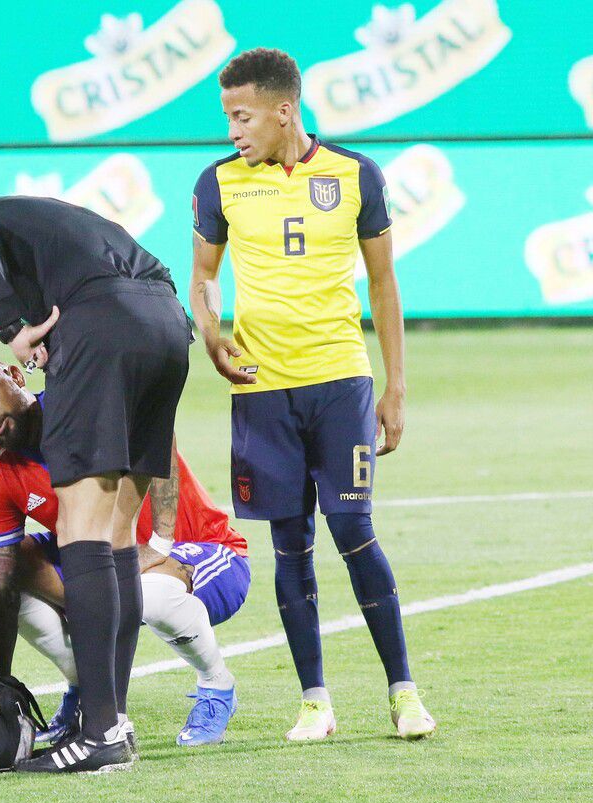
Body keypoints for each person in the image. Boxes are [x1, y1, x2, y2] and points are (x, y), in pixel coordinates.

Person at [189, 47, 434, 741]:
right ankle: (315, 701)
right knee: (290, 544)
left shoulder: (356, 175)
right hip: (263, 391)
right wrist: (210, 332)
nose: (233, 130)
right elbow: (204, 277)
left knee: (353, 530)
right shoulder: (218, 184)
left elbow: (383, 285)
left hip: (340, 383)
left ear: (283, 110)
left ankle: (403, 692)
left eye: (242, 116)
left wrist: (396, 389)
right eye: (227, 117)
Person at [0, 198, 192, 772]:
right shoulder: (48, 231)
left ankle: (98, 733)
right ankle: (111, 722)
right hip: (168, 325)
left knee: (82, 529)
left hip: (104, 324)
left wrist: (8, 324)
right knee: (119, 532)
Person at [0, 355, 251, 746]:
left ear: (17, 376)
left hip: (203, 550)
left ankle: (217, 685)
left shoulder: (82, 408)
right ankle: (86, 685)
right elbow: (0, 580)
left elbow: (156, 429)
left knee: (146, 595)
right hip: (107, 563)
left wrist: (159, 542)